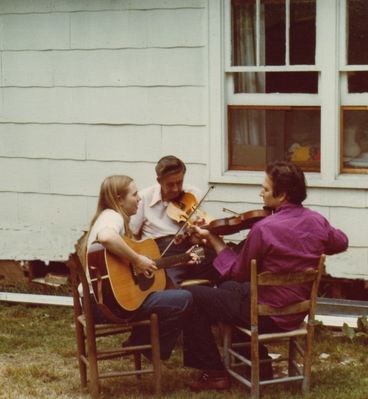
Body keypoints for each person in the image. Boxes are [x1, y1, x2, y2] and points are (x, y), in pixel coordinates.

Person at [182, 161, 349, 391]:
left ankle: (214, 373)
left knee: (190, 295)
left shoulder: (264, 228)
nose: (261, 192)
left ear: (282, 195)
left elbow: (238, 272)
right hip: (297, 311)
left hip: (267, 316)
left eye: (266, 189)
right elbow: (341, 242)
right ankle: (260, 364)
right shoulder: (317, 220)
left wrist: (212, 239)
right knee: (228, 288)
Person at [84, 175, 194, 360]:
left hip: (98, 302)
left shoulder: (109, 217)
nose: (140, 198)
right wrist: (137, 260)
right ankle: (150, 348)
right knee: (184, 298)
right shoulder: (113, 217)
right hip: (105, 307)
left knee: (162, 293)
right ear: (119, 199)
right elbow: (106, 238)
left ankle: (139, 342)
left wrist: (179, 260)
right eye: (134, 194)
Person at [130, 155, 220, 287]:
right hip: (162, 253)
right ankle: (182, 300)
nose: (176, 189)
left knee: (218, 265)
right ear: (159, 181)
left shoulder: (192, 194)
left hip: (191, 249)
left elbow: (198, 235)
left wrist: (198, 232)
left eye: (180, 182)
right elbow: (133, 235)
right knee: (167, 283)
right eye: (170, 184)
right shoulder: (144, 198)